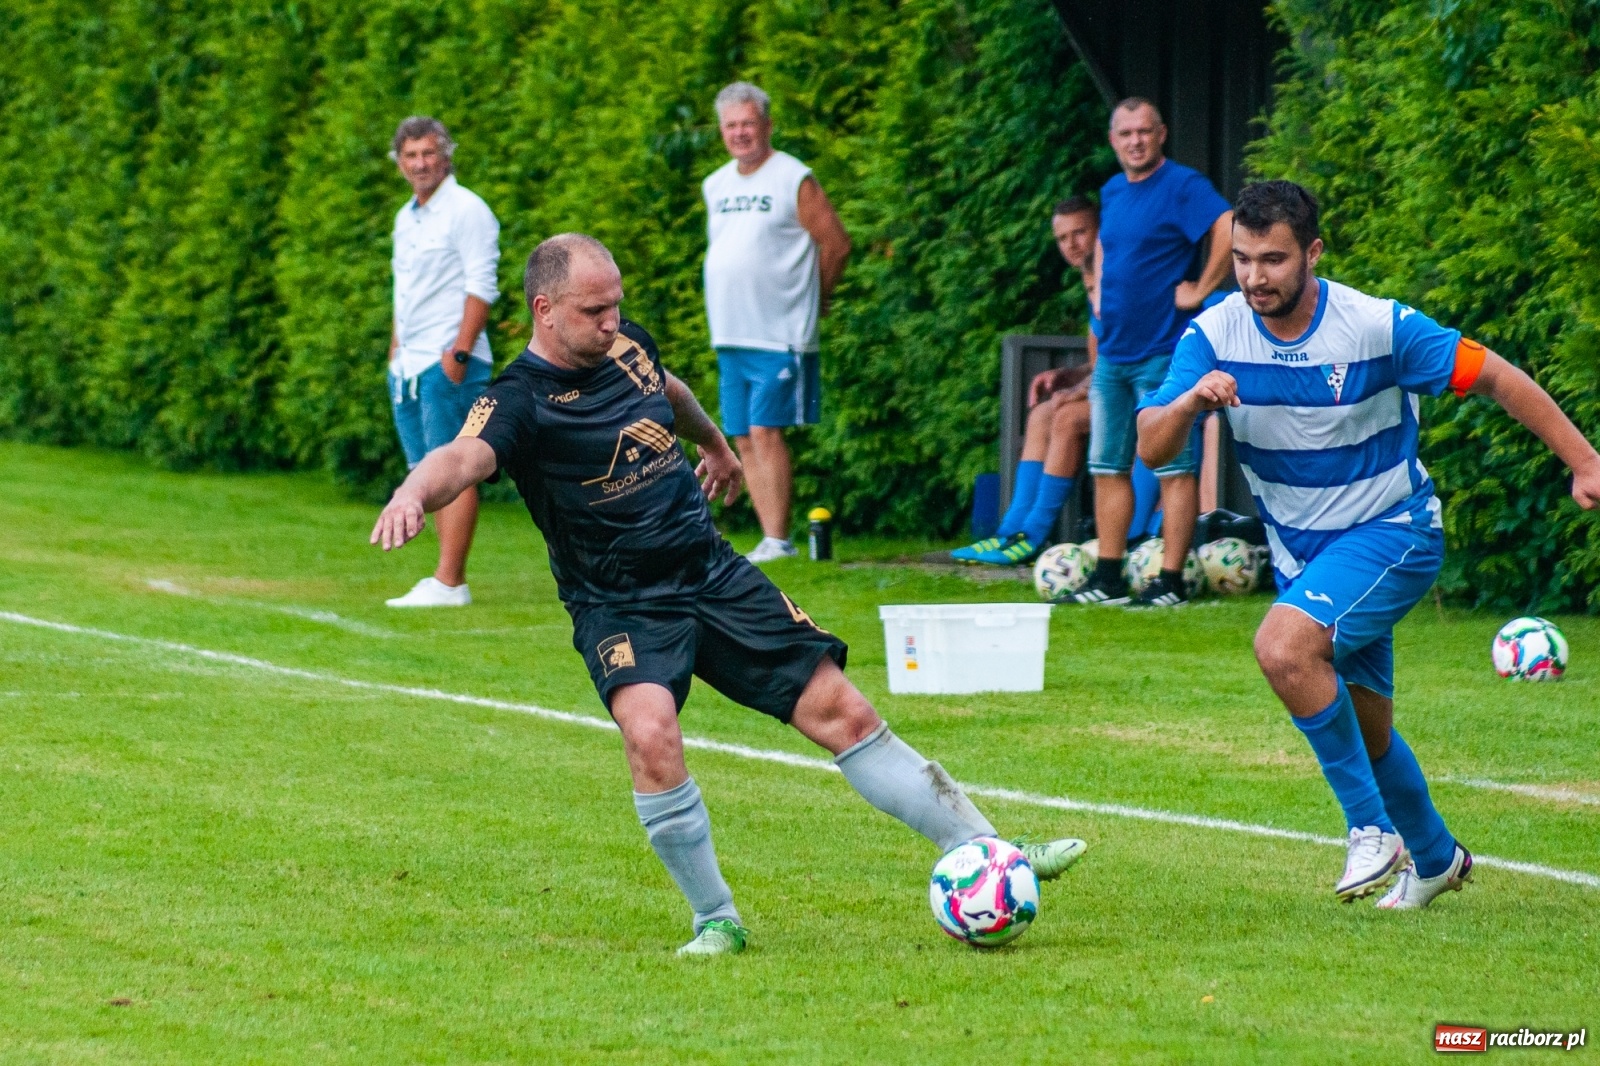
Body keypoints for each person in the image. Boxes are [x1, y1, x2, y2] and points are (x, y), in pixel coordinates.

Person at [370, 233, 1086, 955]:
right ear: (544, 309)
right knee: (650, 736)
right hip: (621, 605)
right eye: (595, 311)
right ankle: (716, 917)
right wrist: (410, 490)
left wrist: (716, 445)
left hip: (710, 572)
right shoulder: (518, 400)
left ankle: (992, 851)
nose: (613, 321)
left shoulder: (627, 345)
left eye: (618, 305)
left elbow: (669, 390)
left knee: (845, 711)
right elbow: (460, 457)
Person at [1136, 180, 1600, 908]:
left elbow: (1499, 379)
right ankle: (1438, 856)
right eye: (1243, 259)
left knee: (1284, 648)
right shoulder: (1215, 332)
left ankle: (1370, 830)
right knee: (1366, 728)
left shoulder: (1378, 327)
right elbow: (1150, 443)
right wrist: (1191, 403)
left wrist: (1584, 461)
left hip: (1395, 533)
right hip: (1307, 558)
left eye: (1274, 260)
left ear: (1313, 254)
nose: (1255, 277)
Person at [1067, 98, 1233, 607]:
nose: (1135, 141)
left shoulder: (1181, 186)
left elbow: (1226, 224)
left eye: (1144, 132)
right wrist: (1094, 288)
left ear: (1161, 134)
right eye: (1125, 134)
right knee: (1107, 467)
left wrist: (1201, 289)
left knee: (1173, 468)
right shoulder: (1114, 191)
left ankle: (1171, 580)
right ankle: (1110, 576)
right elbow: (1105, 249)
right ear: (1114, 140)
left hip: (1163, 350)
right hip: (1114, 353)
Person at [702, 82, 852, 564]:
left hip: (780, 332)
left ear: (766, 125)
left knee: (768, 431)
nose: (740, 133)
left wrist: (819, 298)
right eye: (731, 126)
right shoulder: (716, 184)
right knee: (743, 434)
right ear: (722, 131)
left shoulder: (794, 178)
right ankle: (770, 540)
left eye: (748, 123)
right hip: (731, 331)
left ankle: (779, 538)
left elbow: (836, 242)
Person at [383, 116, 501, 607]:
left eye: (428, 153)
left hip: (448, 361)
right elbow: (405, 290)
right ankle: (443, 578)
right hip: (408, 365)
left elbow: (482, 284)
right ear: (399, 163)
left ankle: (451, 581)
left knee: (451, 466)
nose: (420, 164)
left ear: (446, 155)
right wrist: (394, 348)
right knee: (424, 470)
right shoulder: (406, 216)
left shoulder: (467, 209)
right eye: (410, 156)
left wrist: (458, 353)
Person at [952, 197, 1099, 564]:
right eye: (1063, 238)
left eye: (1080, 232)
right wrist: (1073, 375)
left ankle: (1032, 536)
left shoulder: (1115, 275)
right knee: (1041, 415)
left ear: (1099, 230)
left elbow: (1128, 355)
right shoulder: (1089, 276)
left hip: (1143, 394)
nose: (1072, 245)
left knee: (1065, 416)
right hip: (1110, 385)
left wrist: (1080, 390)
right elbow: (1104, 353)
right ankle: (1010, 531)